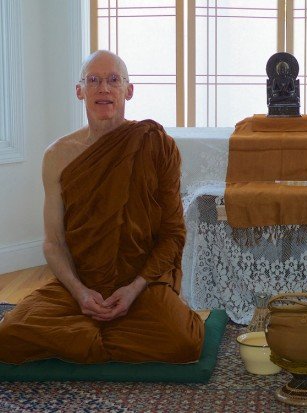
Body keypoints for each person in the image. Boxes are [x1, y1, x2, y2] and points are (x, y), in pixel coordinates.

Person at [0, 50, 204, 364]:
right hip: (82, 281)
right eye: (93, 80)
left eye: (113, 80)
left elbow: (173, 233)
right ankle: (98, 329)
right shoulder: (57, 156)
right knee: (9, 335)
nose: (103, 89)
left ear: (129, 90)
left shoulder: (156, 144)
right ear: (79, 90)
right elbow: (54, 243)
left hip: (141, 281)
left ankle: (78, 338)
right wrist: (80, 292)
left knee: (184, 341)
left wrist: (134, 288)